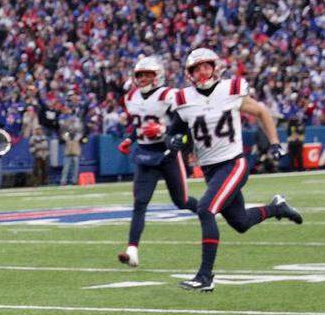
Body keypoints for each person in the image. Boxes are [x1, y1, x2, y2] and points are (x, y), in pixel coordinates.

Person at [169, 49, 303, 292]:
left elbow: (262, 111)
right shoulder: (184, 99)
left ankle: (205, 277)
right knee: (240, 222)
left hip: (233, 163)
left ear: (215, 68)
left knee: (205, 209)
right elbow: (175, 132)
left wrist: (275, 143)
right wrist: (175, 141)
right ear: (190, 73)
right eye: (197, 68)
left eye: (206, 66)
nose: (202, 72)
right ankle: (277, 208)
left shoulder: (230, 89)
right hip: (210, 169)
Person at [116, 56, 198, 268]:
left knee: (181, 201)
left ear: (157, 76)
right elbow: (139, 125)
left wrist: (164, 131)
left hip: (168, 153)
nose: (142, 78)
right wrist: (130, 139)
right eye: (140, 75)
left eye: (147, 74)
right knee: (140, 203)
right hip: (145, 154)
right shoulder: (132, 96)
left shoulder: (168, 95)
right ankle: (132, 250)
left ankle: (208, 210)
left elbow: (184, 124)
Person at [59, 109, 83, 185]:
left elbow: (80, 133)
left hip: (75, 149)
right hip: (68, 150)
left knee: (75, 167)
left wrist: (75, 139)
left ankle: (74, 181)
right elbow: (64, 134)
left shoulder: (78, 125)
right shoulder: (66, 125)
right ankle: (63, 181)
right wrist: (68, 139)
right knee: (66, 167)